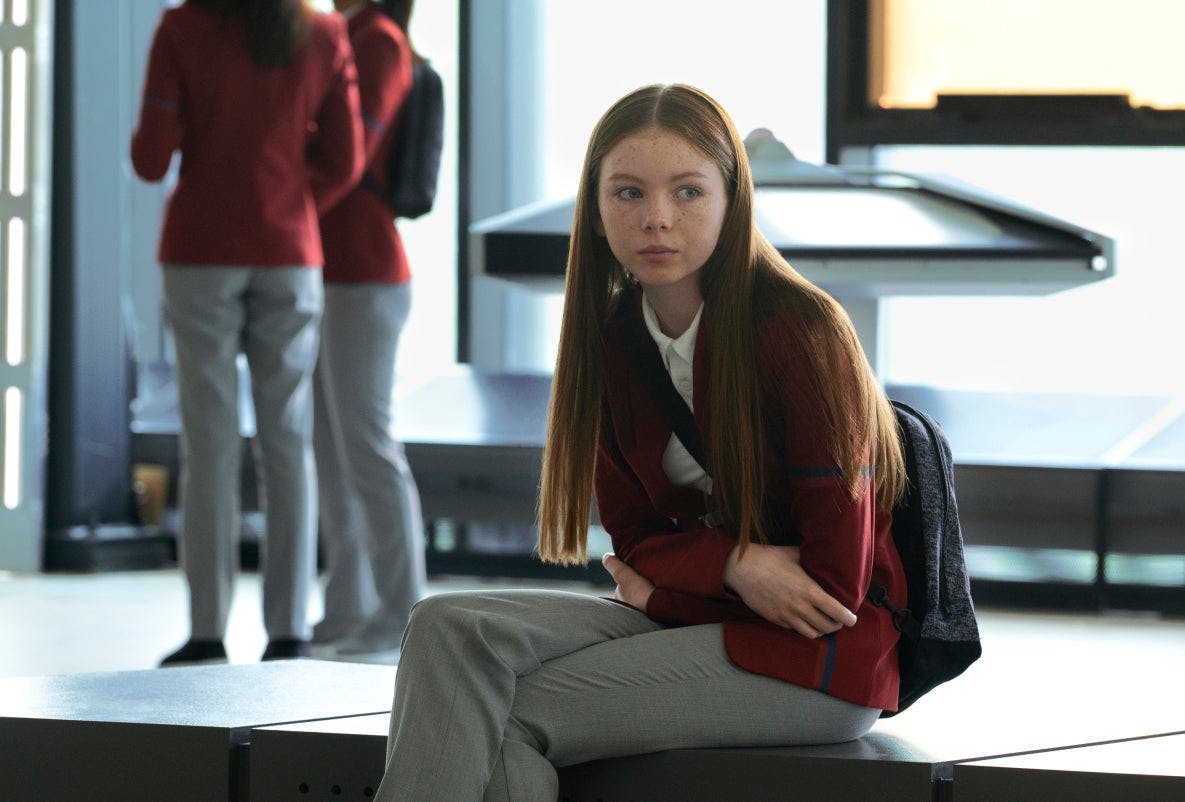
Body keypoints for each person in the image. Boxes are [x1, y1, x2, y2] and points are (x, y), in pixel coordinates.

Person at [375, 83, 909, 801]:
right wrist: (735, 565)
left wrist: (667, 595)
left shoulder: (801, 332)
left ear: (731, 200)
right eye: (628, 193)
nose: (657, 219)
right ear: (596, 211)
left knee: (502, 716)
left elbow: (832, 590)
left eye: (688, 192)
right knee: (443, 624)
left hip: (817, 663)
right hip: (706, 623)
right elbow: (633, 540)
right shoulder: (616, 338)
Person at [130, 0, 363, 665]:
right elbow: (346, 158)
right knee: (289, 441)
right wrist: (289, 199)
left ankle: (207, 632)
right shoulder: (323, 31)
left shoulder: (181, 28)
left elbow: (150, 158)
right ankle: (288, 631)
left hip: (200, 249)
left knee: (209, 441)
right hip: (289, 252)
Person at [310, 0, 427, 656]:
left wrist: (283, 209)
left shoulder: (375, 37)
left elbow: (352, 153)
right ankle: (346, 612)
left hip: (364, 271)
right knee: (334, 454)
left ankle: (399, 611)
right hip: (329, 269)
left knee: (365, 446)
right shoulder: (345, 33)